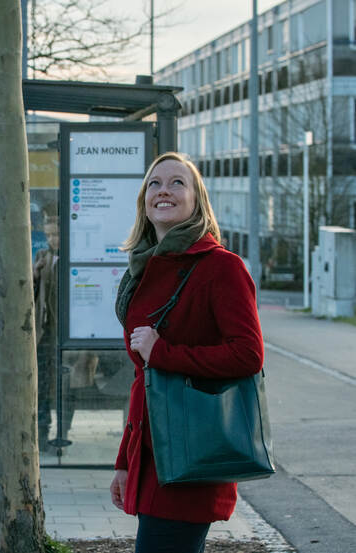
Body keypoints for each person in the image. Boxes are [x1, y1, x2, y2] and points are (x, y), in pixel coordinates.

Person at [109, 152, 264, 553]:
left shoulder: (221, 268)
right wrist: (125, 461)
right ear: (145, 198)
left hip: (193, 448)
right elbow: (143, 380)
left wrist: (164, 352)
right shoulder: (142, 270)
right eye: (155, 183)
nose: (164, 190)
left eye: (178, 183)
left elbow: (248, 356)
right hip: (150, 454)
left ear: (198, 199)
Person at [33, 215, 59, 451]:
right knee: (42, 385)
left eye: (57, 234)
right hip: (44, 332)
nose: (53, 239)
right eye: (49, 234)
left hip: (63, 333)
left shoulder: (72, 257)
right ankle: (42, 435)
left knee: (62, 386)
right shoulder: (42, 257)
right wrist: (35, 274)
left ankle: (62, 433)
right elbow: (29, 296)